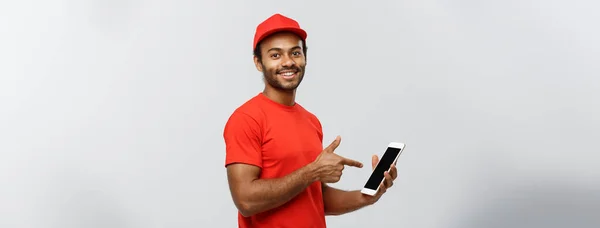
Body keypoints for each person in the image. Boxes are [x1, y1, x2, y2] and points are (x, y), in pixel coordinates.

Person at [223, 13, 398, 228]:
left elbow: (314, 197)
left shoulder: (311, 121)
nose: (288, 62)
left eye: (295, 53)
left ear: (304, 58)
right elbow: (246, 200)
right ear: (258, 63)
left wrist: (367, 196)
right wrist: (312, 172)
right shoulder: (246, 119)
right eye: (275, 55)